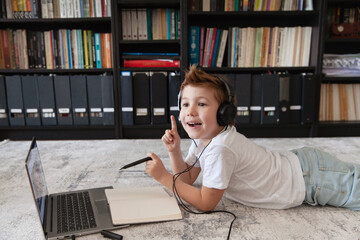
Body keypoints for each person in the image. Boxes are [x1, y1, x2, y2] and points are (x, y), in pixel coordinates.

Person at [145, 65, 360, 212]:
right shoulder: (204, 139)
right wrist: (174, 151)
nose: (190, 111)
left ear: (224, 113)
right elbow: (187, 178)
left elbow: (206, 202)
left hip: (312, 179)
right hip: (301, 167)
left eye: (201, 104)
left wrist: (164, 177)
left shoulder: (221, 148)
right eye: (185, 104)